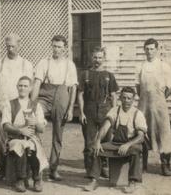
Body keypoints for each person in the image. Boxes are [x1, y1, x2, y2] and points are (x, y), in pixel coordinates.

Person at [30, 35, 77, 181]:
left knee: (58, 134)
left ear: (65, 49)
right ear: (52, 46)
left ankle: (53, 169)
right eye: (54, 46)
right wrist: (31, 104)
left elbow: (73, 88)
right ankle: (36, 165)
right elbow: (37, 83)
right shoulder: (44, 62)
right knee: (34, 126)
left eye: (60, 47)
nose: (56, 50)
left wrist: (70, 109)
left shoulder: (70, 64)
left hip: (62, 95)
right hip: (45, 96)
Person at [0, 34, 34, 181]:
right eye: (8, 46)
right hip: (2, 106)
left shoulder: (26, 64)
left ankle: (23, 171)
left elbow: (30, 87)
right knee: (3, 138)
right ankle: (3, 170)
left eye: (13, 46)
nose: (10, 49)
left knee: (21, 137)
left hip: (20, 107)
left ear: (19, 45)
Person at [88, 87, 146, 194]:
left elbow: (141, 137)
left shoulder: (138, 114)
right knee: (96, 148)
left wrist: (128, 145)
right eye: (124, 98)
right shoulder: (115, 110)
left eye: (129, 98)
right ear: (120, 98)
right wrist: (98, 141)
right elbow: (105, 127)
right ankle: (94, 180)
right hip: (115, 143)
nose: (126, 101)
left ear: (133, 100)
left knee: (136, 150)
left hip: (130, 144)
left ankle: (132, 182)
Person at [78, 47, 118, 183]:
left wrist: (114, 113)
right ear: (91, 58)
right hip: (89, 109)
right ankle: (90, 169)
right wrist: (81, 112)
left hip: (105, 109)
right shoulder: (85, 74)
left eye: (100, 57)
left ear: (104, 58)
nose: (97, 60)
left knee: (106, 140)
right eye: (95, 57)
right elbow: (80, 94)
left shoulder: (109, 75)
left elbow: (113, 96)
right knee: (89, 141)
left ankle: (104, 167)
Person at [135, 38, 171, 176]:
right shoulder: (140, 66)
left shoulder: (164, 66)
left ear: (157, 50)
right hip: (144, 105)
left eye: (152, 49)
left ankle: (165, 165)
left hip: (159, 105)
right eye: (147, 49)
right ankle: (142, 164)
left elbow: (170, 87)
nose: (149, 51)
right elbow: (138, 86)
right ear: (144, 50)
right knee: (142, 132)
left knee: (163, 133)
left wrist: (160, 99)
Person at [2, 76, 48, 193]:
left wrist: (36, 123)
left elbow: (41, 128)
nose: (22, 88)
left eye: (25, 86)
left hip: (32, 138)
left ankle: (37, 179)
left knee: (33, 146)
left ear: (30, 88)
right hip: (15, 138)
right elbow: (6, 125)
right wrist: (20, 131)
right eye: (20, 85)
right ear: (17, 87)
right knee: (20, 145)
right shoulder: (10, 104)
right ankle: (20, 179)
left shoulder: (36, 105)